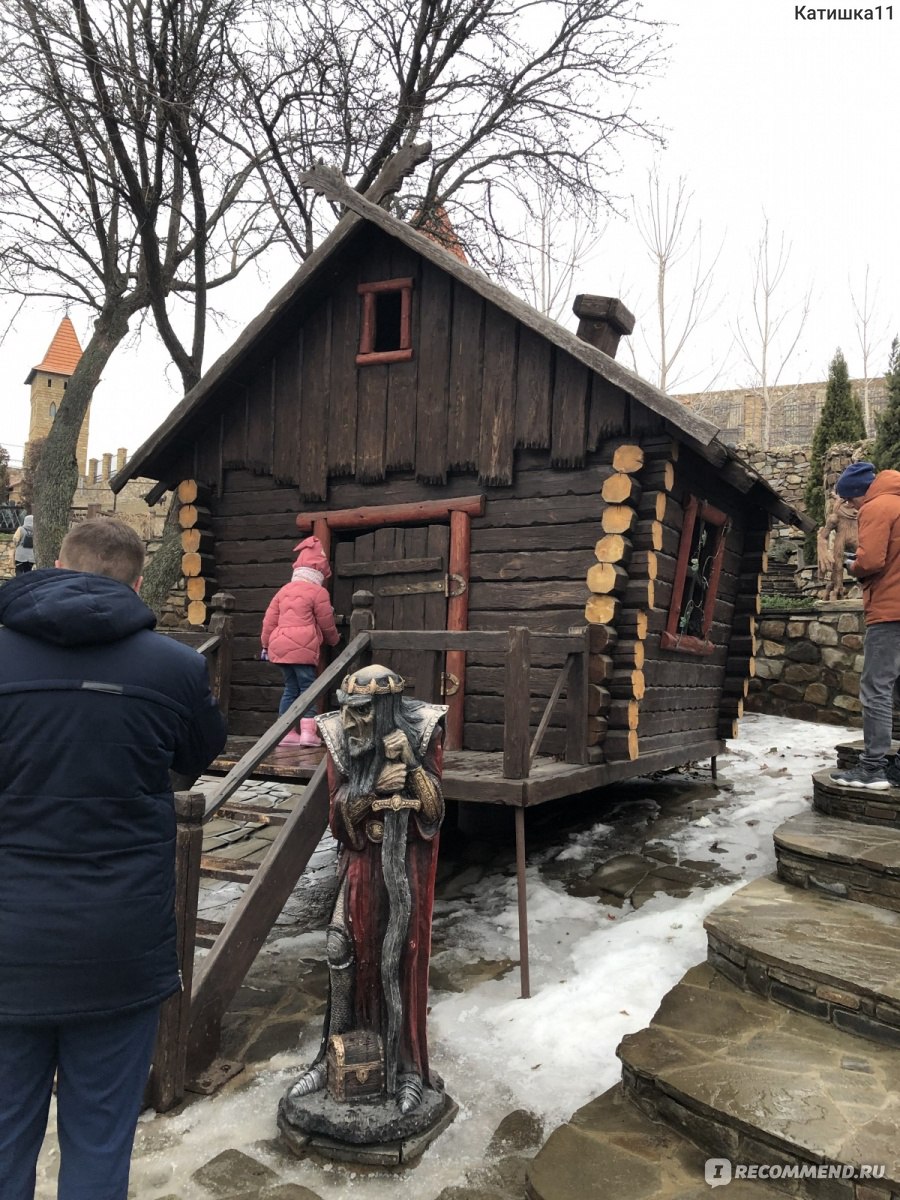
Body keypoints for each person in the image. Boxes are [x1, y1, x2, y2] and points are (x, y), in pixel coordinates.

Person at [0, 517, 227, 1200]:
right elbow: (196, 757)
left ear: (57, 564)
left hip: (8, 938)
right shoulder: (178, 668)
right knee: (100, 1143)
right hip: (120, 943)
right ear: (135, 581)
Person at [285, 664, 446, 1115]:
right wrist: (372, 789)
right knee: (340, 947)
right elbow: (337, 815)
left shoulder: (423, 729)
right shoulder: (339, 735)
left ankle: (407, 1067)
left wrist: (412, 768)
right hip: (360, 861)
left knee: (405, 955)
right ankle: (331, 1050)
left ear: (386, 709)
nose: (352, 721)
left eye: (363, 712)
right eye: (348, 711)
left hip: (404, 867)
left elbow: (434, 809)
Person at [829, 461, 900, 790]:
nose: (849, 507)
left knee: (876, 688)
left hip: (890, 611)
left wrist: (852, 565)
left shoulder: (876, 506)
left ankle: (872, 768)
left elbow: (871, 560)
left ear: (857, 493)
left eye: (848, 500)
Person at [260, 535, 339, 747]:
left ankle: (285, 732)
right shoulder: (318, 592)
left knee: (290, 688)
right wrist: (334, 639)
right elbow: (326, 621)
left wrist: (266, 645)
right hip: (303, 647)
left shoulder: (284, 590)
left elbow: (269, 620)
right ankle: (308, 733)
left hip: (279, 646)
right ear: (318, 571)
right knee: (308, 688)